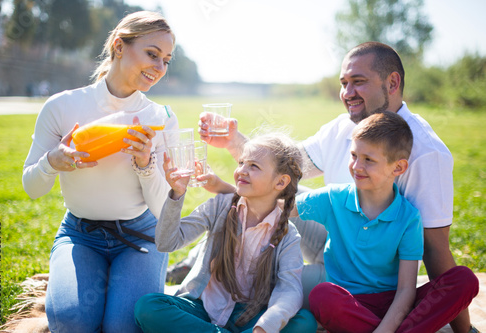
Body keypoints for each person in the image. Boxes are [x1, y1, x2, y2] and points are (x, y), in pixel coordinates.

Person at [194, 41, 478, 332]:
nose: (347, 93)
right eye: (344, 83)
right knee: (281, 204)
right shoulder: (343, 128)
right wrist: (233, 141)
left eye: (358, 82)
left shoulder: (426, 153)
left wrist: (463, 328)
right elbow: (280, 171)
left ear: (392, 82)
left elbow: (435, 249)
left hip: (386, 275)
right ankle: (197, 269)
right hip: (337, 255)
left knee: (463, 279)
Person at [22, 11, 177, 333]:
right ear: (119, 46)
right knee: (71, 322)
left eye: (166, 60)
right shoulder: (62, 107)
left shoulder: (159, 118)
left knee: (123, 327)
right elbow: (31, 188)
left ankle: (116, 285)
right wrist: (52, 162)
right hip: (80, 235)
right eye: (152, 54)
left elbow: (165, 210)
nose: (159, 68)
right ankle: (87, 280)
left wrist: (146, 164)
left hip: (142, 237)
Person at [295, 111, 479, 333]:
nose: (357, 166)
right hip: (348, 304)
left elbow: (405, 291)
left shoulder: (409, 218)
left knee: (464, 279)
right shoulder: (332, 198)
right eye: (354, 155)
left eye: (369, 160)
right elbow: (284, 208)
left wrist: (385, 329)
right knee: (322, 295)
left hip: (394, 304)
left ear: (398, 168)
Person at [134, 134, 318, 333]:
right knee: (148, 307)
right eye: (241, 163)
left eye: (253, 166)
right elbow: (166, 243)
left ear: (280, 182)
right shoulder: (219, 207)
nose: (241, 171)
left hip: (252, 317)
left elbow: (289, 290)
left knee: (304, 322)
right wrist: (176, 194)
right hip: (203, 307)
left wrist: (263, 328)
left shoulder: (288, 235)